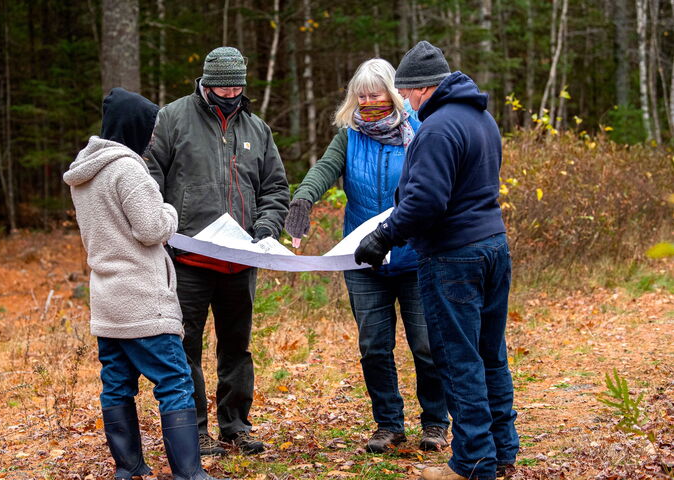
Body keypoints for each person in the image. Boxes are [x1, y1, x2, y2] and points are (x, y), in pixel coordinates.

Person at [354, 41, 519, 480]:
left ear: (422, 88)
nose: (406, 102)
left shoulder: (438, 128)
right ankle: (502, 451)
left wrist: (382, 237)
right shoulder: (482, 118)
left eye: (406, 94)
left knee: (458, 359)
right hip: (493, 247)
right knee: (490, 354)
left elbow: (426, 200)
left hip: (453, 258)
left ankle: (472, 464)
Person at [284, 58, 449, 454]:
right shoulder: (350, 135)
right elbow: (325, 168)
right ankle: (389, 425)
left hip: (414, 255)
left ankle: (435, 423)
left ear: (392, 94)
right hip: (362, 258)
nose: (368, 101)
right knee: (374, 345)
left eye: (375, 94)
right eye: (361, 95)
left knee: (426, 344)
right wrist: (304, 197)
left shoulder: (420, 130)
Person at [64, 88, 227, 480]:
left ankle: (129, 468)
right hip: (141, 297)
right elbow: (152, 228)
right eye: (150, 128)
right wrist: (169, 208)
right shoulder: (127, 168)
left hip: (106, 297)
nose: (153, 137)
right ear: (135, 127)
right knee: (174, 380)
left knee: (117, 384)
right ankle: (190, 473)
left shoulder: (84, 173)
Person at [145, 47, 289, 456]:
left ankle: (236, 425)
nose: (230, 91)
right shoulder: (172, 118)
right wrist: (164, 225)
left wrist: (264, 230)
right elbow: (149, 176)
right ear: (205, 83)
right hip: (187, 258)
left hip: (240, 260)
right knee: (185, 345)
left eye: (237, 84)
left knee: (236, 347)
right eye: (222, 84)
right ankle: (193, 429)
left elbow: (276, 188)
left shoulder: (257, 129)